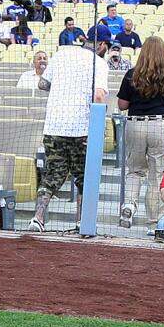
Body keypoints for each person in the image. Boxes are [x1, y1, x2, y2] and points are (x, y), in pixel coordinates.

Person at [28, 33, 108, 234]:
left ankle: (38, 217)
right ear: (102, 46)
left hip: (54, 125)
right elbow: (99, 96)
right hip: (81, 128)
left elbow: (42, 84)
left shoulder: (60, 55)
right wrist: (96, 130)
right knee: (84, 177)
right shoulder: (98, 63)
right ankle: (82, 221)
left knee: (53, 174)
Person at [115, 36, 164, 228]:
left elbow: (122, 105)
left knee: (135, 170)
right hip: (159, 124)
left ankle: (129, 205)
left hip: (135, 124)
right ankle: (154, 221)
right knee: (157, 173)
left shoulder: (131, 74)